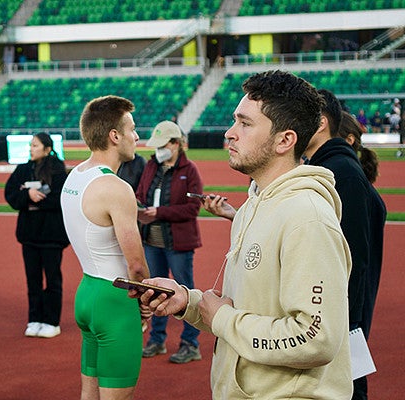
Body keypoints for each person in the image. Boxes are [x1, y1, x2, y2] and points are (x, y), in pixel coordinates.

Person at [140, 70, 353, 399]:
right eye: (234, 121)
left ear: (285, 140)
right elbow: (241, 310)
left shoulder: (307, 217)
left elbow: (316, 338)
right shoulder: (253, 207)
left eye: (245, 123)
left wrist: (222, 317)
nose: (229, 133)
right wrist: (189, 301)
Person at [60, 95, 151, 400]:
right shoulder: (116, 188)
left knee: (90, 392)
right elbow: (136, 264)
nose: (136, 137)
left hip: (87, 292)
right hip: (115, 298)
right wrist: (146, 300)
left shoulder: (75, 176)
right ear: (115, 136)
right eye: (132, 129)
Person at [303, 90, 387, 400]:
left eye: (302, 116)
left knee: (348, 390)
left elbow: (355, 262)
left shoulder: (342, 174)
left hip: (340, 321)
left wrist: (348, 326)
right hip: (335, 317)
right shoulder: (333, 168)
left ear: (321, 123)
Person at [135, 120, 203, 364]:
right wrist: (140, 207)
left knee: (185, 290)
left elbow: (193, 207)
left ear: (176, 144)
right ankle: (157, 339)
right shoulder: (151, 166)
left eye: (163, 145)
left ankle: (190, 343)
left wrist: (159, 212)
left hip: (178, 243)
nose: (158, 150)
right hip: (152, 241)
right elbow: (141, 193)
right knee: (155, 291)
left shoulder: (189, 170)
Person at [5, 132, 69, 338]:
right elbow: (11, 195)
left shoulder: (59, 171)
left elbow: (62, 200)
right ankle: (34, 319)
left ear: (47, 149)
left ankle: (52, 321)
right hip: (29, 235)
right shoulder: (23, 169)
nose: (30, 149)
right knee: (32, 280)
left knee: (52, 280)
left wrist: (37, 200)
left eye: (35, 145)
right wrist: (27, 195)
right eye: (31, 145)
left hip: (52, 236)